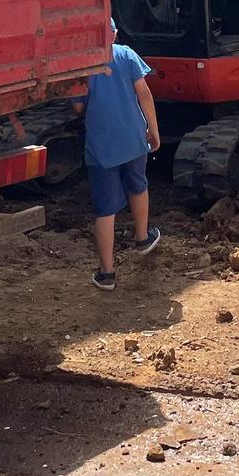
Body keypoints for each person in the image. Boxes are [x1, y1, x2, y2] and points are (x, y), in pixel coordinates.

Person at [74, 24, 161, 290]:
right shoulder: (126, 54)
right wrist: (153, 129)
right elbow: (144, 93)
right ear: (113, 34)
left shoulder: (82, 66)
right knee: (138, 185)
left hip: (102, 148)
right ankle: (143, 237)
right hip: (134, 139)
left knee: (105, 210)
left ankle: (107, 273)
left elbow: (78, 107)